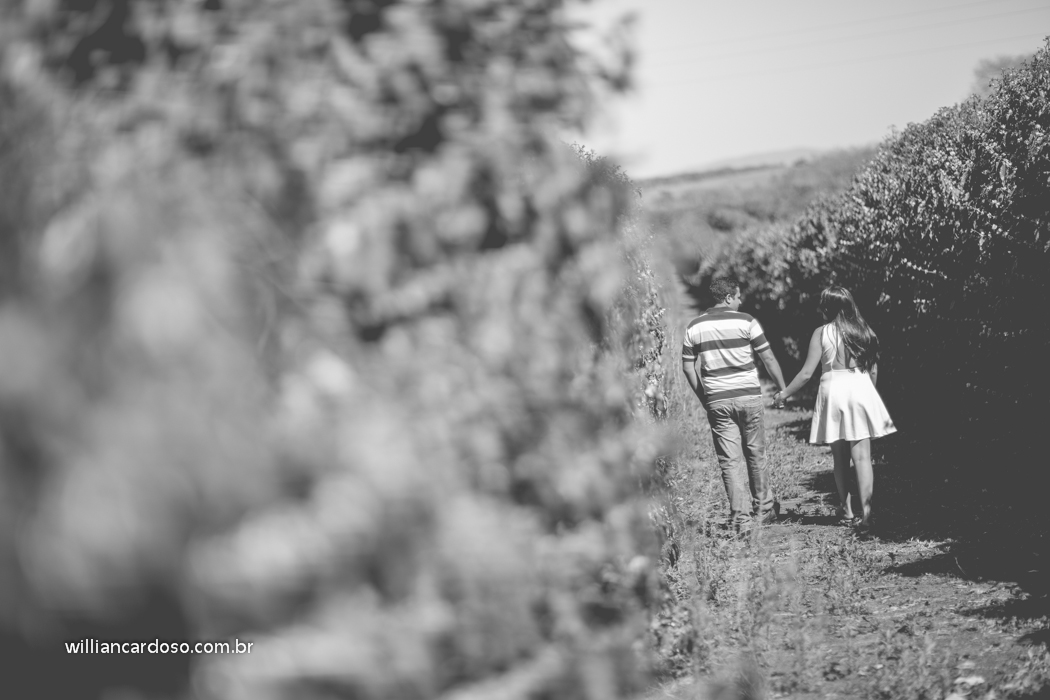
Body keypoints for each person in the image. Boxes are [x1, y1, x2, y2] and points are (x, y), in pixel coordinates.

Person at [774, 285, 896, 532]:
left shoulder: (821, 333)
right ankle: (868, 515)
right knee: (863, 457)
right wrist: (869, 393)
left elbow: (807, 373)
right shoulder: (864, 331)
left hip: (834, 391)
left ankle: (846, 509)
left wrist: (784, 393)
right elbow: (872, 369)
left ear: (828, 307)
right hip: (860, 388)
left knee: (840, 458)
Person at [682, 277, 787, 534]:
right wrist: (782, 388)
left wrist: (704, 397)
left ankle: (741, 520)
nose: (741, 301)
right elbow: (768, 357)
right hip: (749, 397)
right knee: (755, 454)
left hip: (717, 400)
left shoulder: (694, 327)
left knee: (729, 461)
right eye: (738, 296)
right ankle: (764, 510)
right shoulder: (747, 321)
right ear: (728, 297)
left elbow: (687, 366)